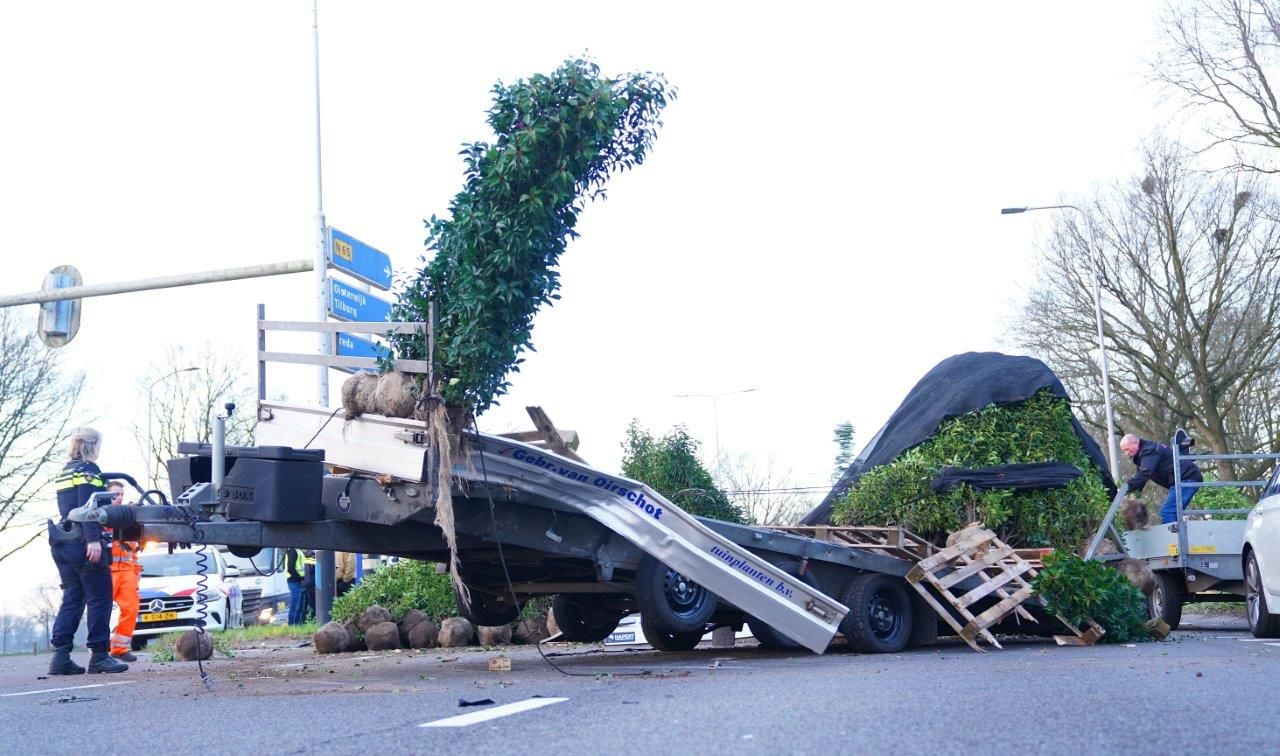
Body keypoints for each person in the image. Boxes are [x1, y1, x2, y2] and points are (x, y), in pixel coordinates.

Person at [48, 428, 127, 675]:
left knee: (72, 598)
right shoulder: (88, 470)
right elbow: (87, 507)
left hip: (62, 540)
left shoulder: (66, 470)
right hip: (83, 541)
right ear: (92, 446)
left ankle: (60, 658)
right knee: (100, 597)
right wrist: (93, 539)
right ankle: (100, 657)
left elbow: (71, 508)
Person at [1120, 433, 1202, 525]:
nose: (1126, 453)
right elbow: (1141, 479)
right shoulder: (1144, 454)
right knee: (1174, 512)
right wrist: (1132, 495)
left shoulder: (1149, 451)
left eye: (1127, 449)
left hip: (1186, 477)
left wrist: (1126, 488)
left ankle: (1174, 538)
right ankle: (1178, 534)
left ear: (1135, 443)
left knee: (1167, 511)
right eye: (1124, 451)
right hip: (1181, 479)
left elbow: (1145, 473)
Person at [106, 481, 142, 662]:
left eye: (121, 494)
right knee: (102, 610)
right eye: (115, 494)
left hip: (127, 572)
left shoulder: (128, 518)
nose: (119, 497)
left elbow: (134, 551)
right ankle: (99, 647)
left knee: (132, 607)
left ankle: (120, 648)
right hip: (107, 571)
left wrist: (136, 572)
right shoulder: (101, 517)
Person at [285, 548, 305, 625]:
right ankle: (292, 625)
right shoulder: (293, 551)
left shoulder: (298, 550)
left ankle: (297, 626)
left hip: (298, 581)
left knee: (299, 606)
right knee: (295, 606)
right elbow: (290, 568)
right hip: (294, 581)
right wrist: (300, 578)